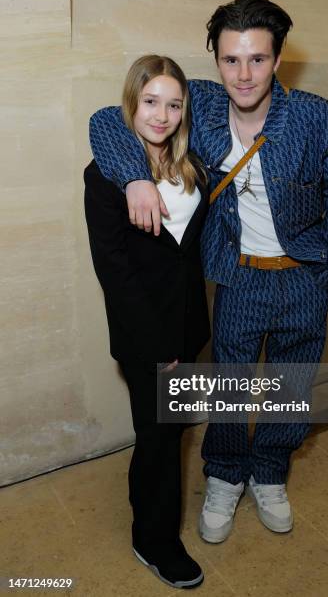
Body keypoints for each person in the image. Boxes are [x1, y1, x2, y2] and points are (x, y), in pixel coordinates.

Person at [88, 0, 328, 545]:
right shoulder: (202, 108)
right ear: (215, 60)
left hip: (304, 279)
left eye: (257, 59)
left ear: (278, 59)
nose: (244, 74)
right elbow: (108, 119)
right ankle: (223, 473)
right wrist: (134, 177)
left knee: (290, 387)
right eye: (230, 60)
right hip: (238, 277)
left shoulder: (320, 118)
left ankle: (269, 472)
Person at [84, 54, 210, 588]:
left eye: (174, 103)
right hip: (145, 333)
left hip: (187, 323)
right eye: (150, 101)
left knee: (168, 430)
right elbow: (114, 271)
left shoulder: (190, 164)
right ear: (132, 103)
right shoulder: (106, 174)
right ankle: (154, 540)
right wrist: (161, 345)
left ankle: (148, 506)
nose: (161, 115)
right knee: (158, 434)